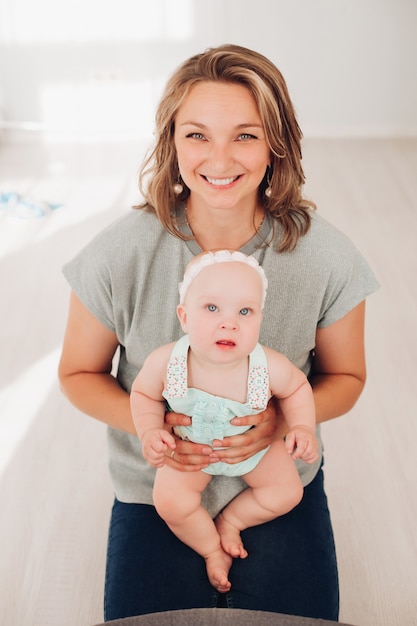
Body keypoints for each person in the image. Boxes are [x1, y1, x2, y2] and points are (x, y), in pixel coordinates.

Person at [58, 44, 379, 621]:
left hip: (275, 477)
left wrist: (278, 421)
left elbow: (347, 376)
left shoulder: (328, 257)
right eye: (197, 135)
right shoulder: (120, 252)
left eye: (246, 135)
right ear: (171, 143)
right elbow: (78, 374)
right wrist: (154, 427)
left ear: (277, 144)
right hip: (157, 484)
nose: (220, 157)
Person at [131, 250, 319, 593]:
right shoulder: (167, 362)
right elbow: (144, 395)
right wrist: (150, 430)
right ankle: (211, 549)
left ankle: (232, 520)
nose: (229, 322)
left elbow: (296, 388)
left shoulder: (267, 365)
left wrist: (302, 427)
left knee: (287, 492)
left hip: (254, 448)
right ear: (184, 317)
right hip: (189, 448)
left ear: (260, 320)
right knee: (170, 503)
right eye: (212, 308)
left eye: (244, 311)